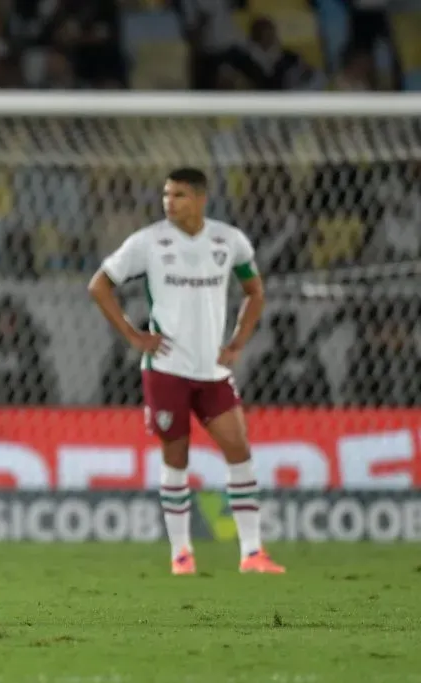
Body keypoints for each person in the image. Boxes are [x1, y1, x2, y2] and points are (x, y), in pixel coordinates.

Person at [88, 167, 285, 576]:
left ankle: (252, 553)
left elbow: (255, 291)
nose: (168, 202)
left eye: (177, 195)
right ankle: (182, 554)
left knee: (239, 450)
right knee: (176, 457)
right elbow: (99, 285)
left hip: (213, 370)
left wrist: (237, 342)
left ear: (199, 199)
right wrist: (133, 334)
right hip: (166, 370)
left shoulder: (228, 240)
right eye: (166, 194)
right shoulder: (148, 242)